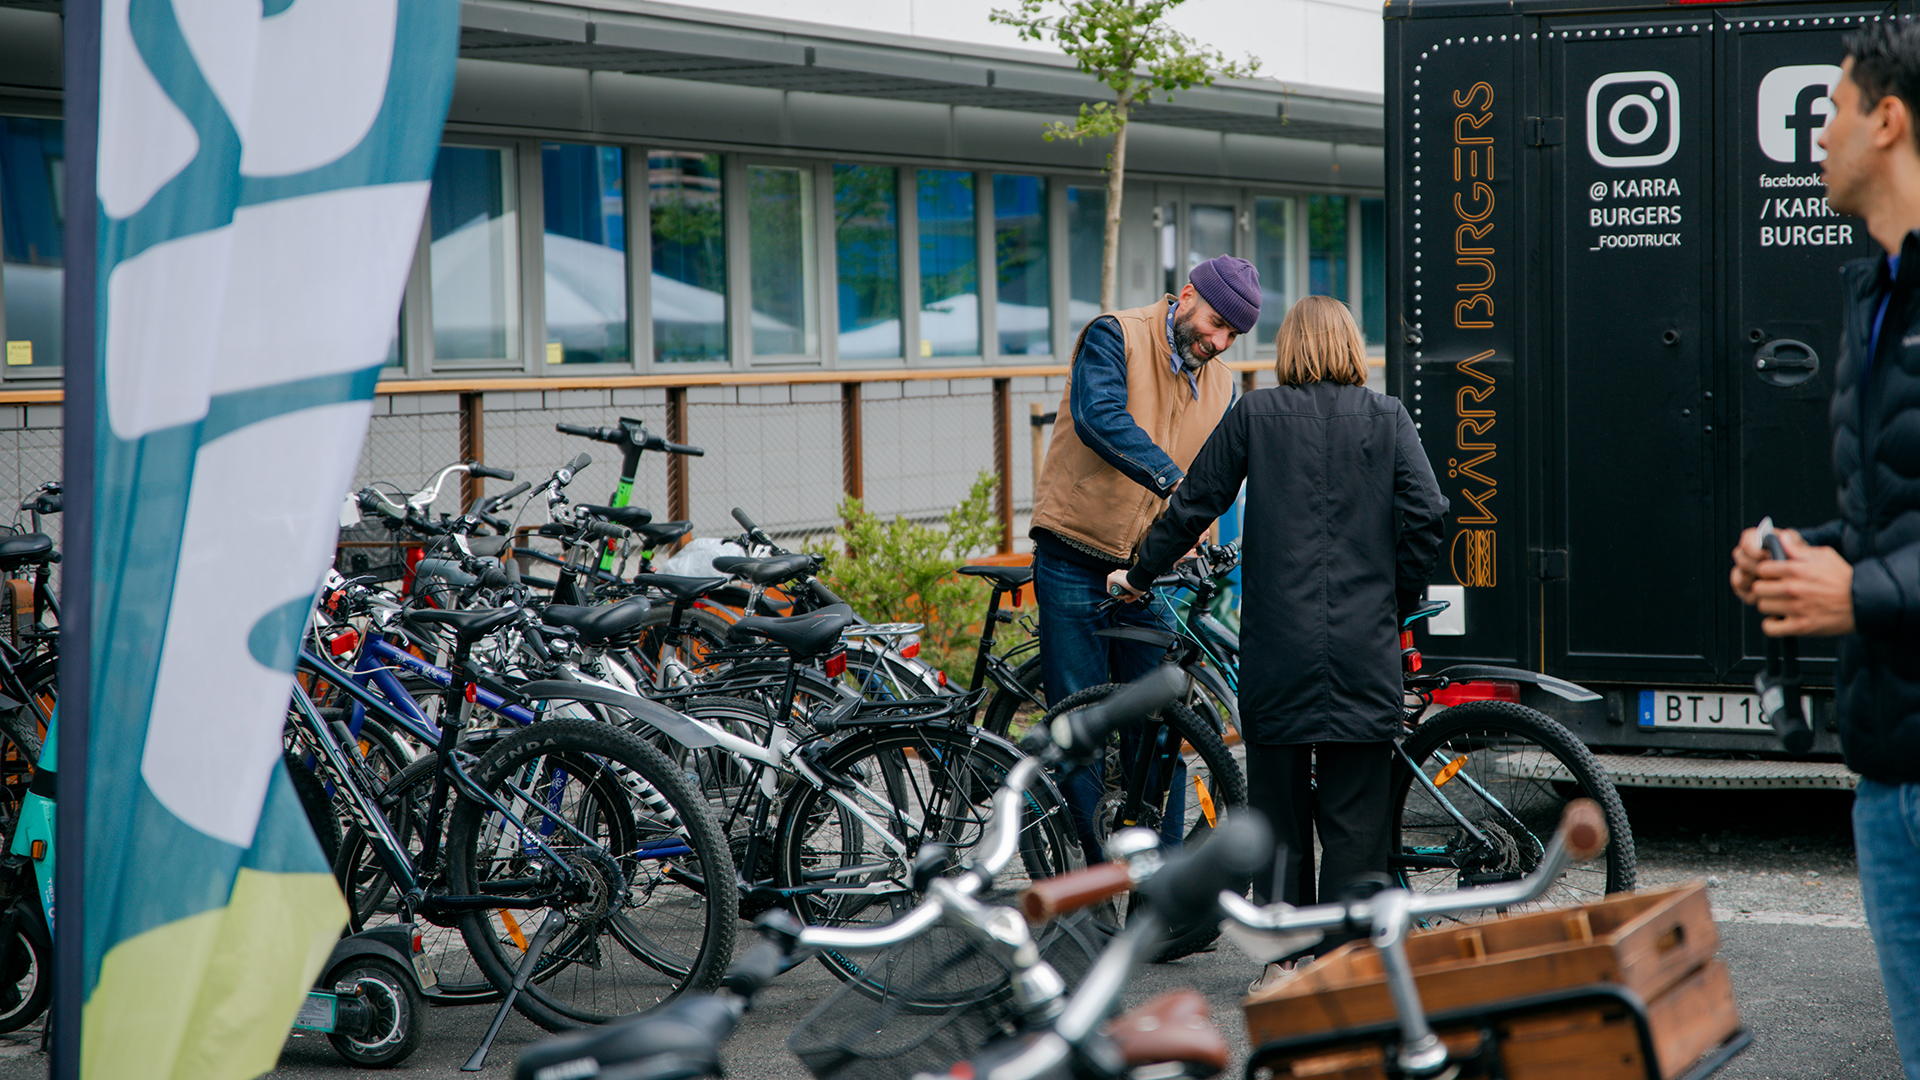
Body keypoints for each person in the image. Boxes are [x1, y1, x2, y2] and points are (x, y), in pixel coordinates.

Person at [1108, 295, 1447, 981]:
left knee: (1279, 810)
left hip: (1278, 648)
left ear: (1289, 346)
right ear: (1351, 344)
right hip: (1362, 645)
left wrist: (1140, 572)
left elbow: (1195, 501)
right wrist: (1399, 596)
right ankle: (1348, 965)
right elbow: (1428, 512)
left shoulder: (1256, 414)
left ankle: (1288, 964)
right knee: (1356, 813)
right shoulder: (1386, 416)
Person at [1729, 23, 1920, 1078]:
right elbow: (1894, 525)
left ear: (1887, 121)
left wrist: (1867, 590)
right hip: (1888, 772)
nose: (1816, 141)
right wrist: (1804, 555)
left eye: (1831, 113)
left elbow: (1887, 572)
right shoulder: (1875, 294)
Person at [1029, 254, 1258, 866]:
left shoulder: (1224, 383)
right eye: (1214, 323)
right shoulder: (1115, 334)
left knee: (1160, 726)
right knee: (1080, 719)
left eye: (1232, 335)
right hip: (1075, 552)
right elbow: (1100, 417)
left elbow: (1218, 479)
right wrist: (1175, 487)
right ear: (1186, 296)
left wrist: (1197, 533)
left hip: (1149, 570)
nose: (1219, 341)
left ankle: (1162, 889)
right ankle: (1086, 883)